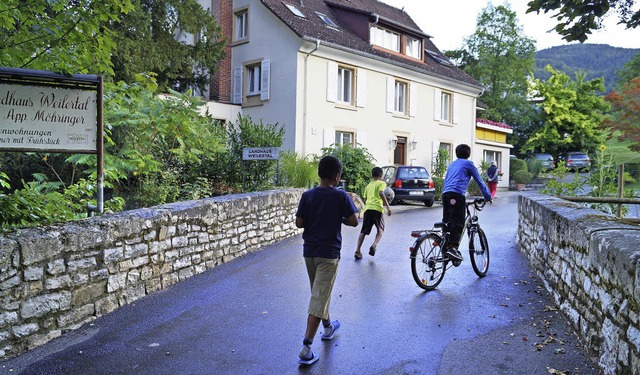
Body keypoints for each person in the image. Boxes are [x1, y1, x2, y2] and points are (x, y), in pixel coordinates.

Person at [295, 155, 359, 366]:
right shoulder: (340, 197)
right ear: (337, 176)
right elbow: (353, 221)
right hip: (329, 254)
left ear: (320, 173)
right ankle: (306, 347)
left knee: (319, 292)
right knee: (319, 297)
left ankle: (329, 326)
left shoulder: (307, 195)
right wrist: (336, 217)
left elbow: (299, 223)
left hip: (309, 252)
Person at [441, 144, 492, 266]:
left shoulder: (452, 164)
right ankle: (453, 247)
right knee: (458, 221)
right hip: (457, 194)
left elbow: (447, 179)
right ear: (468, 154)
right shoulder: (469, 164)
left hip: (445, 193)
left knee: (447, 221)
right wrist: (487, 196)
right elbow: (479, 180)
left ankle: (445, 247)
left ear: (456, 153)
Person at [354, 167, 392, 259]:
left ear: (372, 176)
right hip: (377, 209)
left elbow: (365, 199)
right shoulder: (382, 183)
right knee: (380, 230)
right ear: (380, 176)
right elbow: (381, 193)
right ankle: (374, 245)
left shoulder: (368, 186)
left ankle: (358, 251)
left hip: (368, 209)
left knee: (363, 231)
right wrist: (387, 206)